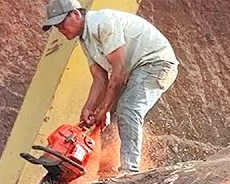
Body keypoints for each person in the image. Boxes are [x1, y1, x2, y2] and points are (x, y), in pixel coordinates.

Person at [41, 0, 179, 174]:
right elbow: (100, 79)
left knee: (128, 108)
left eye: (61, 23)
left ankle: (129, 169)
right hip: (133, 72)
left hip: (155, 64)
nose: (60, 29)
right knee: (104, 122)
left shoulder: (103, 22)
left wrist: (104, 108)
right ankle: (101, 171)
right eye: (56, 26)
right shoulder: (85, 40)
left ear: (76, 14)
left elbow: (119, 71)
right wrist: (89, 108)